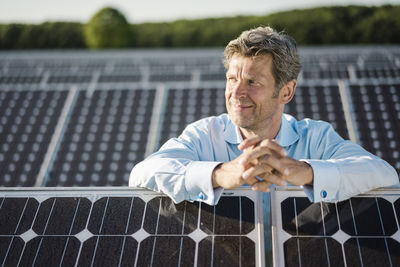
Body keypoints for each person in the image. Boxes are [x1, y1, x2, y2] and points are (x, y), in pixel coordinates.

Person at [129, 26, 399, 205]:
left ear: (286, 92)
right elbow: (143, 173)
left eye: (253, 82)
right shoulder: (205, 135)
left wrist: (304, 171)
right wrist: (220, 173)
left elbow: (384, 175)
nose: (236, 92)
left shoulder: (315, 137)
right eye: (232, 79)